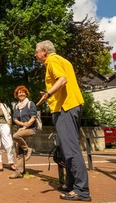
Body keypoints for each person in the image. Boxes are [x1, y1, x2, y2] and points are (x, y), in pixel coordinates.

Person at [35, 40, 91, 202]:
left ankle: (81, 190)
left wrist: (47, 94)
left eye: (37, 51)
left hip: (65, 107)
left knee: (70, 148)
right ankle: (71, 184)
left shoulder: (52, 60)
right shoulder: (62, 60)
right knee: (67, 148)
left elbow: (62, 80)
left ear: (45, 51)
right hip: (72, 105)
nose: (35, 54)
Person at [9, 85, 37, 179]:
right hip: (21, 129)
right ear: (17, 95)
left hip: (31, 129)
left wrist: (25, 126)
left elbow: (33, 118)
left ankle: (27, 149)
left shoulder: (30, 104)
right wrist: (21, 124)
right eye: (19, 92)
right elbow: (15, 119)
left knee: (15, 136)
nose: (21, 94)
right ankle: (19, 171)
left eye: (23, 92)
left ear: (26, 93)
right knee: (18, 150)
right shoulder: (16, 106)